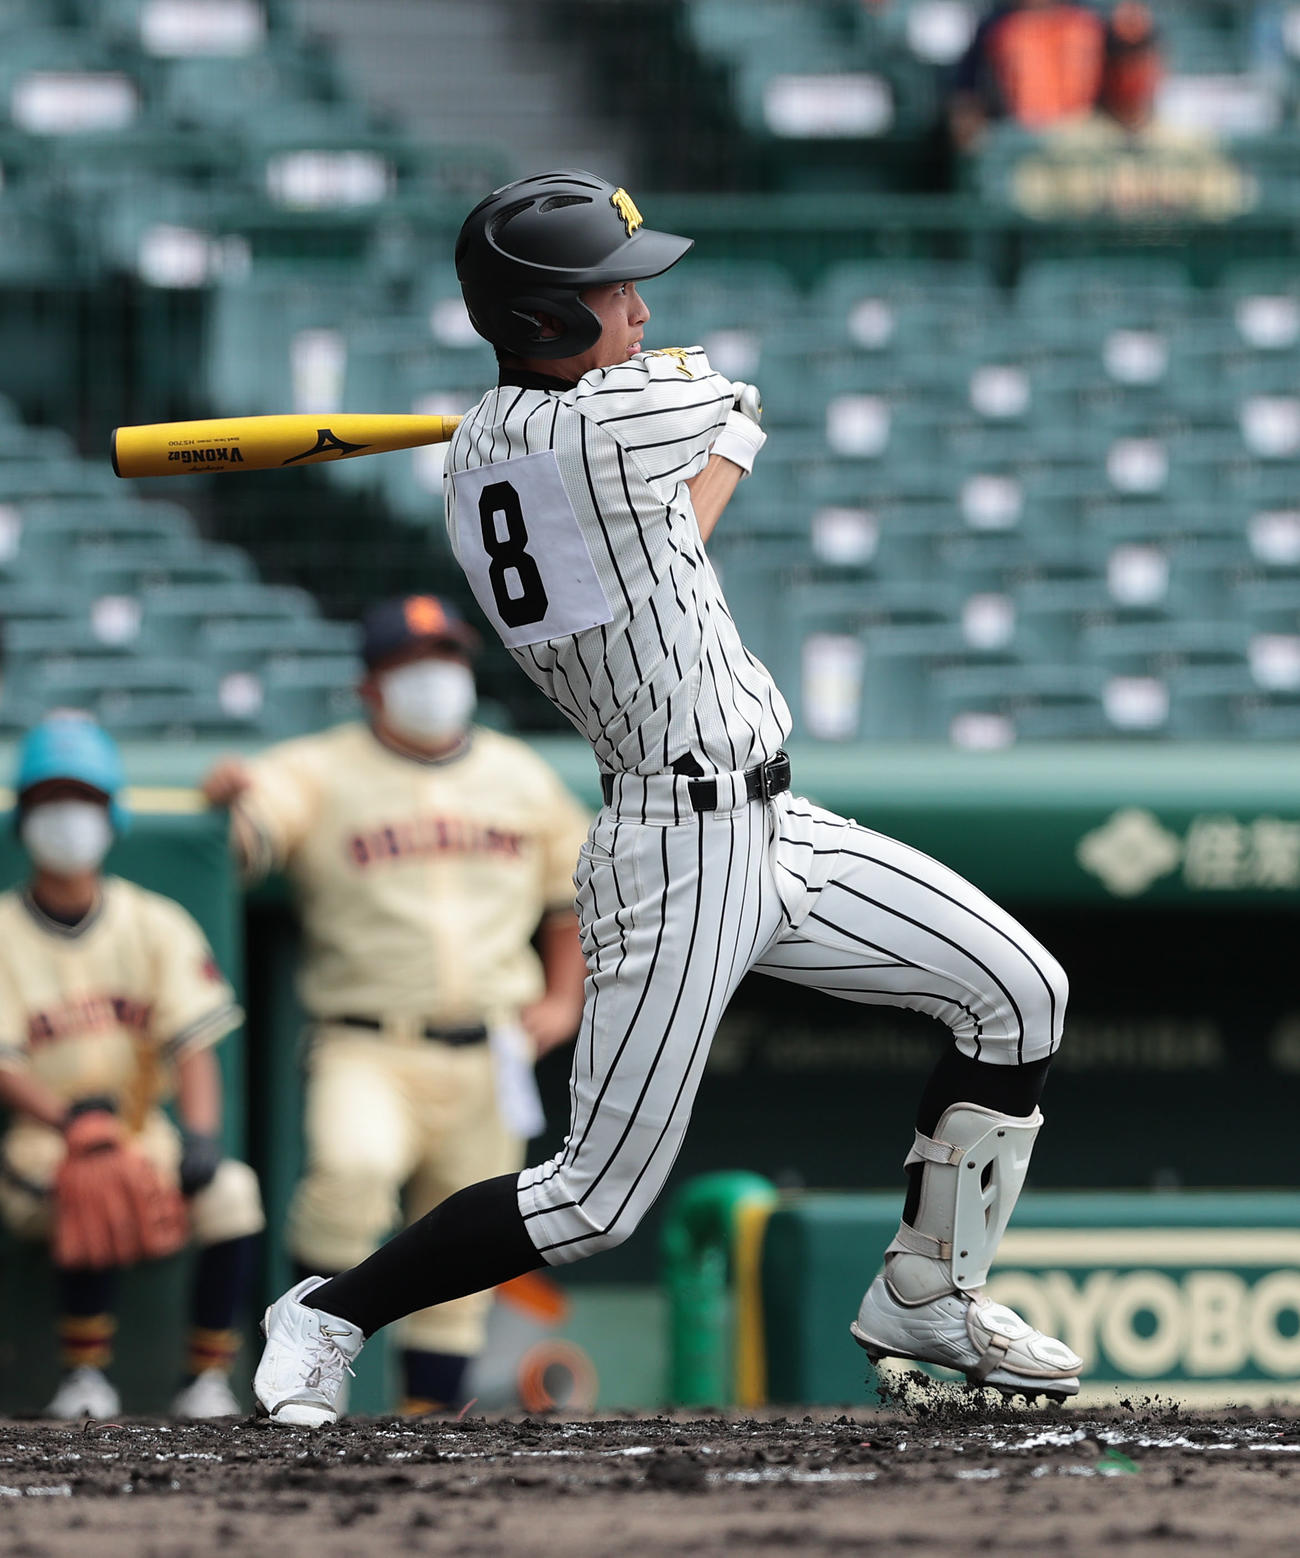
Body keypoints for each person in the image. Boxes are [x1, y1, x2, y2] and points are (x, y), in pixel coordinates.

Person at [253, 170, 1081, 1428]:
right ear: (541, 322)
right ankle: (328, 1313)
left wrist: (720, 426)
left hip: (778, 822)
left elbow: (675, 527)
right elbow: (717, 391)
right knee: (592, 1201)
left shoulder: (500, 445)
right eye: (611, 291)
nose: (638, 308)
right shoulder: (603, 425)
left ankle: (925, 1291)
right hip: (673, 845)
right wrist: (726, 409)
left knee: (1020, 990)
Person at [202, 595, 590, 1414]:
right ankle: (302, 1349)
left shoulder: (519, 775)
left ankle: (428, 1425)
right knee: (351, 1172)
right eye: (411, 665)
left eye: (445, 658)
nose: (433, 678)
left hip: (493, 1046)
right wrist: (232, 798)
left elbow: (574, 899)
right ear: (371, 686)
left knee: (472, 1242)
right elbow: (250, 829)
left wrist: (563, 1000)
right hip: (367, 1039)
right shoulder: (318, 768)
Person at [0, 713, 264, 1419]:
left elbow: (194, 1043)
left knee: (232, 1192)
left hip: (145, 1128)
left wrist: (202, 1135)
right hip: (43, 1137)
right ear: (22, 817)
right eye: (50, 800)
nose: (66, 817)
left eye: (82, 800)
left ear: (110, 815)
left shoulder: (154, 921)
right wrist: (70, 1123)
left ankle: (208, 1377)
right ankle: (82, 1375)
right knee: (87, 1175)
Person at [949, 0, 1107, 152]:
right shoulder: (995, 27)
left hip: (1084, 139)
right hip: (1016, 139)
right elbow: (966, 96)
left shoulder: (1089, 22)